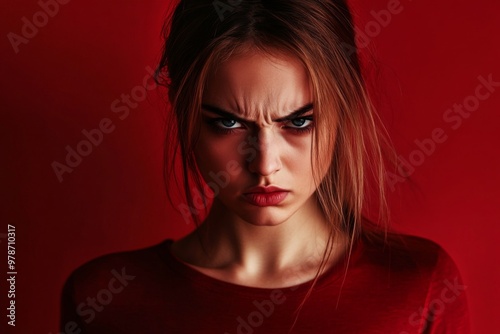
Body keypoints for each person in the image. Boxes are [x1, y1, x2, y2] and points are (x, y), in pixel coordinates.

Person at [59, 0, 471, 333]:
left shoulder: (418, 287)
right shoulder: (106, 298)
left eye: (299, 121)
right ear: (183, 113)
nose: (265, 165)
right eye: (229, 122)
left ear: (343, 109)